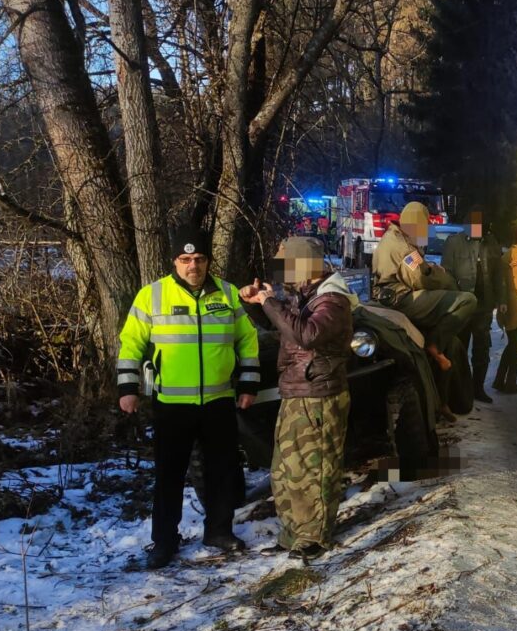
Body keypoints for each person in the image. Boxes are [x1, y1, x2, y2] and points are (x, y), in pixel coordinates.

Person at [117, 225, 260, 570]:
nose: (192, 265)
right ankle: (164, 541)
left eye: (198, 259)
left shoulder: (226, 294)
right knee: (169, 475)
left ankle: (219, 532)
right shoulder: (152, 295)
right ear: (174, 261)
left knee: (222, 471)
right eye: (185, 259)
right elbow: (130, 344)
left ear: (208, 261)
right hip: (172, 404)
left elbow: (248, 341)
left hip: (219, 401)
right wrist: (127, 388)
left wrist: (248, 385)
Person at [241, 237, 358, 561]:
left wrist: (271, 302)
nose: (284, 277)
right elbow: (283, 329)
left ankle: (314, 536)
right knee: (286, 470)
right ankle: (292, 532)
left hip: (319, 395)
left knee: (315, 469)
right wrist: (257, 304)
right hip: (295, 392)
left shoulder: (332, 299)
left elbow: (306, 335)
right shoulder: (305, 295)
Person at [372, 201, 479, 388]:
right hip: (401, 299)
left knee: (451, 342)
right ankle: (435, 345)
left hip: (393, 297)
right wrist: (439, 274)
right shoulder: (403, 248)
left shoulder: (396, 238)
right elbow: (420, 279)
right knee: (467, 301)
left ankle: (442, 399)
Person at [441, 208, 507, 403]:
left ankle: (477, 388)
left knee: (482, 349)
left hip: (484, 306)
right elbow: (447, 273)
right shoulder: (454, 243)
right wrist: (457, 297)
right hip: (461, 305)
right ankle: (459, 390)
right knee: (458, 347)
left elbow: (498, 275)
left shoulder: (491, 243)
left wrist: (502, 300)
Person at [493, 236, 517, 394]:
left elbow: (502, 283)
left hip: (510, 304)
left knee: (513, 344)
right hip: (516, 304)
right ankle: (509, 381)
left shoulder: (508, 257)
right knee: (516, 345)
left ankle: (500, 380)